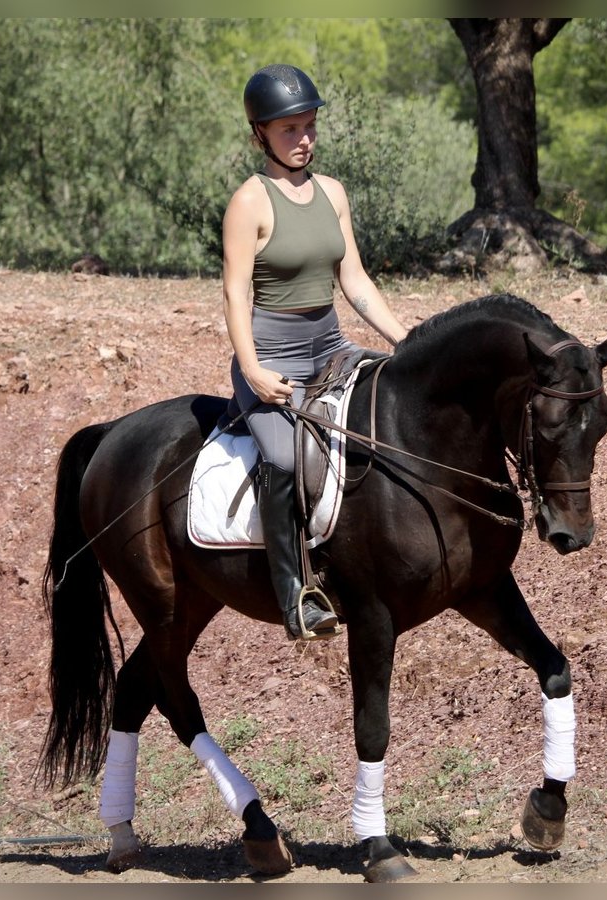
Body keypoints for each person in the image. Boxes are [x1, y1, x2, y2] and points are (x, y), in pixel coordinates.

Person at [223, 63, 408, 641]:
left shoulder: (333, 193)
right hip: (272, 356)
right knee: (284, 461)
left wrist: (405, 341)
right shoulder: (249, 202)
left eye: (308, 126)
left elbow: (354, 280)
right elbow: (235, 293)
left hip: (330, 345)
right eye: (288, 130)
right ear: (260, 134)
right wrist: (252, 371)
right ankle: (295, 594)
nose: (303, 139)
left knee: (396, 403)